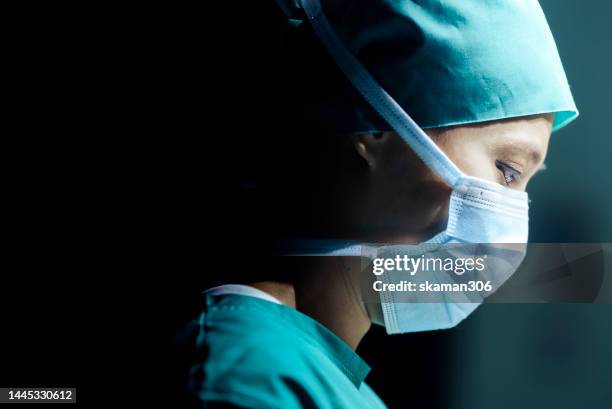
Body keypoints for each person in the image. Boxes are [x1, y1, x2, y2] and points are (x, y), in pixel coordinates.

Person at [177, 0, 578, 407]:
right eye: (507, 170)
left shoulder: (329, 381)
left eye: (525, 183)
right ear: (374, 126)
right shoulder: (249, 378)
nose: (512, 222)